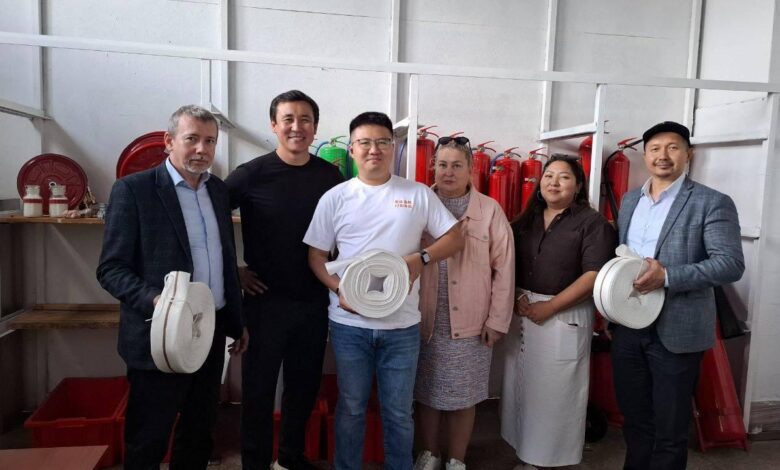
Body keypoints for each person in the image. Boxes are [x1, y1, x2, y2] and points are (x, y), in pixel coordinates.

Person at [304, 112, 464, 470]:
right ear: (351, 149)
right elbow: (316, 257)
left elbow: (455, 238)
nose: (373, 149)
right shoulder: (335, 197)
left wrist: (421, 258)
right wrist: (339, 288)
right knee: (351, 407)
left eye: (382, 142)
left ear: (393, 148)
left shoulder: (417, 194)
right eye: (364, 142)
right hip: (349, 325)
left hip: (401, 325)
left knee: (398, 411)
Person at [97, 105, 247, 469]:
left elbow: (223, 261)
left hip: (208, 332)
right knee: (149, 437)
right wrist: (159, 302)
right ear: (169, 141)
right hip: (158, 333)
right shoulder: (134, 190)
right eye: (192, 139)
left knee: (199, 432)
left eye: (209, 141)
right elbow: (111, 269)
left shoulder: (218, 191)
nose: (202, 149)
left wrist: (235, 320)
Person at [612, 121, 744, 470]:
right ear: (645, 156)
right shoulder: (630, 200)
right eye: (655, 149)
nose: (663, 155)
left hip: (677, 330)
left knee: (670, 429)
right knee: (635, 420)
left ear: (689, 154)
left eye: (673, 147)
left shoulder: (711, 202)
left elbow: (730, 264)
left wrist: (667, 277)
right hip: (629, 326)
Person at [225, 90, 343, 470]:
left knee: (303, 387)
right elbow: (209, 218)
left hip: (313, 300)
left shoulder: (330, 175)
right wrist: (233, 270)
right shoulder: (251, 174)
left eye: (305, 119)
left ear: (315, 127)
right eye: (288, 119)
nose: (296, 127)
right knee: (258, 390)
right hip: (265, 301)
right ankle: (255, 463)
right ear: (273, 125)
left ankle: (290, 458)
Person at [500, 155, 617, 469]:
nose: (554, 182)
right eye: (548, 175)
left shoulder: (592, 223)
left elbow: (593, 276)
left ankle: (546, 461)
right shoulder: (526, 220)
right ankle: (525, 455)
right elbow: (506, 262)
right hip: (524, 310)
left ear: (578, 186)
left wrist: (550, 306)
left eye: (564, 177)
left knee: (555, 394)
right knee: (522, 389)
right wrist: (516, 296)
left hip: (563, 315)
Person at [413, 136, 514, 470]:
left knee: (464, 396)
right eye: (442, 164)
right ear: (433, 167)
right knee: (426, 393)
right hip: (424, 320)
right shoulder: (419, 203)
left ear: (471, 169)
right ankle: (430, 454)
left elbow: (504, 269)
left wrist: (497, 321)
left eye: (457, 165)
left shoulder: (489, 211)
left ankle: (457, 459)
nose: (449, 172)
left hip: (472, 323)